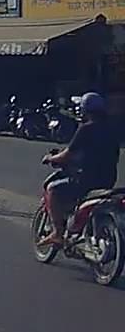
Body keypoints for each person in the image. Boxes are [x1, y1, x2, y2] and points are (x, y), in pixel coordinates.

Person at [38, 92, 119, 247]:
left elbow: (66, 155)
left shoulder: (86, 129)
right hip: (108, 180)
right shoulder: (111, 130)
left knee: (53, 190)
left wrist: (50, 158)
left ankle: (57, 233)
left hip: (85, 180)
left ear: (84, 110)